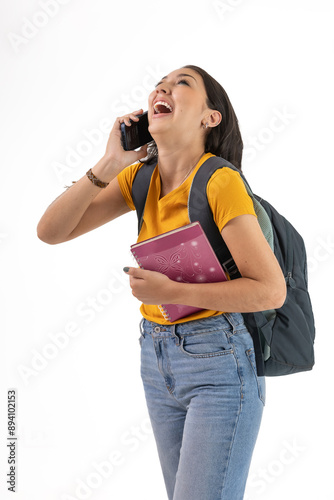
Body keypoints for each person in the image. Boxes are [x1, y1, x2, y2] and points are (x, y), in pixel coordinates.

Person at [37, 65, 286, 500]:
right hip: (157, 358)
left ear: (211, 118)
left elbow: (270, 290)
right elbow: (51, 231)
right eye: (159, 84)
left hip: (221, 363)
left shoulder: (219, 181)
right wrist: (111, 162)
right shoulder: (139, 177)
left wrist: (174, 293)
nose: (162, 88)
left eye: (182, 83)